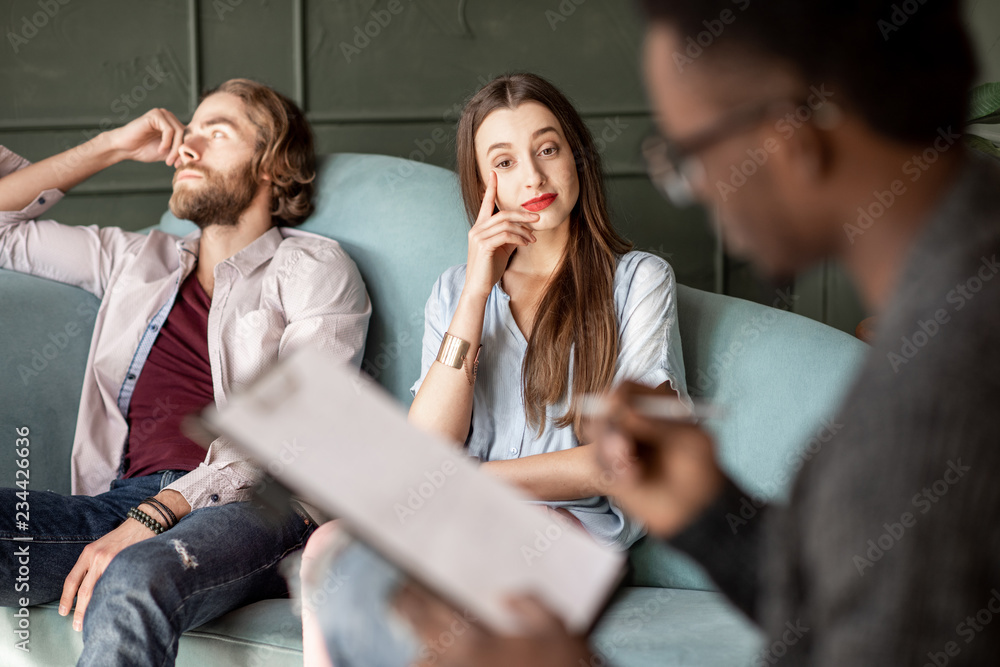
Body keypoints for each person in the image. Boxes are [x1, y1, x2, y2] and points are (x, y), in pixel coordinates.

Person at [393, 0, 1000, 665]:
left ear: (791, 140)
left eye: (689, 155)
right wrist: (709, 509)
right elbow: (833, 601)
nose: (698, 188)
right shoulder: (938, 312)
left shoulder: (942, 389)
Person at [301, 72, 691, 667]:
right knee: (328, 548)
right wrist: (477, 290)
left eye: (548, 148)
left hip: (570, 529)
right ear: (484, 186)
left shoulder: (637, 280)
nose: (532, 176)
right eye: (504, 162)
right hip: (458, 517)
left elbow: (624, 458)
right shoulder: (456, 289)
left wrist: (472, 483)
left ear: (577, 158)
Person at [0, 78, 371, 667]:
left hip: (260, 511)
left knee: (134, 576)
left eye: (216, 132)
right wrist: (113, 146)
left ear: (272, 165)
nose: (186, 148)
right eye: (187, 133)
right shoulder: (131, 260)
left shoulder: (312, 266)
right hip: (120, 502)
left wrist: (158, 513)